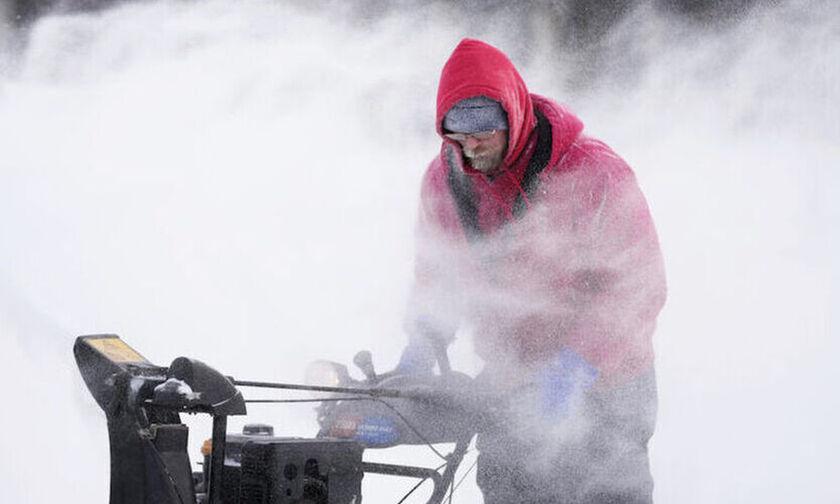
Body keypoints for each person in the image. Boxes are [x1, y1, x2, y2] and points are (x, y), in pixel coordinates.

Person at [396, 38, 667, 504]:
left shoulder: (593, 173)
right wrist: (423, 340)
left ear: (513, 113)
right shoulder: (443, 183)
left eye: (484, 124)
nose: (472, 142)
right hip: (509, 386)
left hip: (608, 386)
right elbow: (438, 276)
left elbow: (638, 286)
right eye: (456, 129)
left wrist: (577, 363)